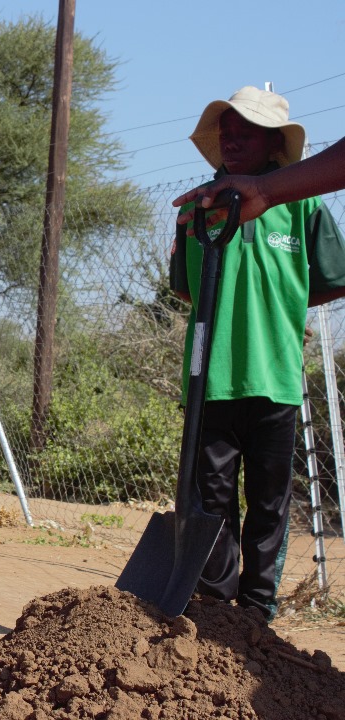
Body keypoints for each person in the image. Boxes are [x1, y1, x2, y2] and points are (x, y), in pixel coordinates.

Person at [170, 86, 345, 620]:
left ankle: (256, 613)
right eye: (226, 131)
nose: (231, 139)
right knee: (210, 500)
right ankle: (215, 610)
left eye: (245, 132)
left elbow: (333, 278)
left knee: (270, 502)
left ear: (274, 145)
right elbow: (185, 288)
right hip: (211, 379)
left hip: (277, 378)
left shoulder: (302, 204)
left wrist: (283, 310)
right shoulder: (195, 208)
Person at [175, 136, 345, 226]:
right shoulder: (196, 204)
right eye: (225, 134)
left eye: (245, 134)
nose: (231, 144)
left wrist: (262, 191)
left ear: (275, 141)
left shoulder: (306, 204)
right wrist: (262, 191)